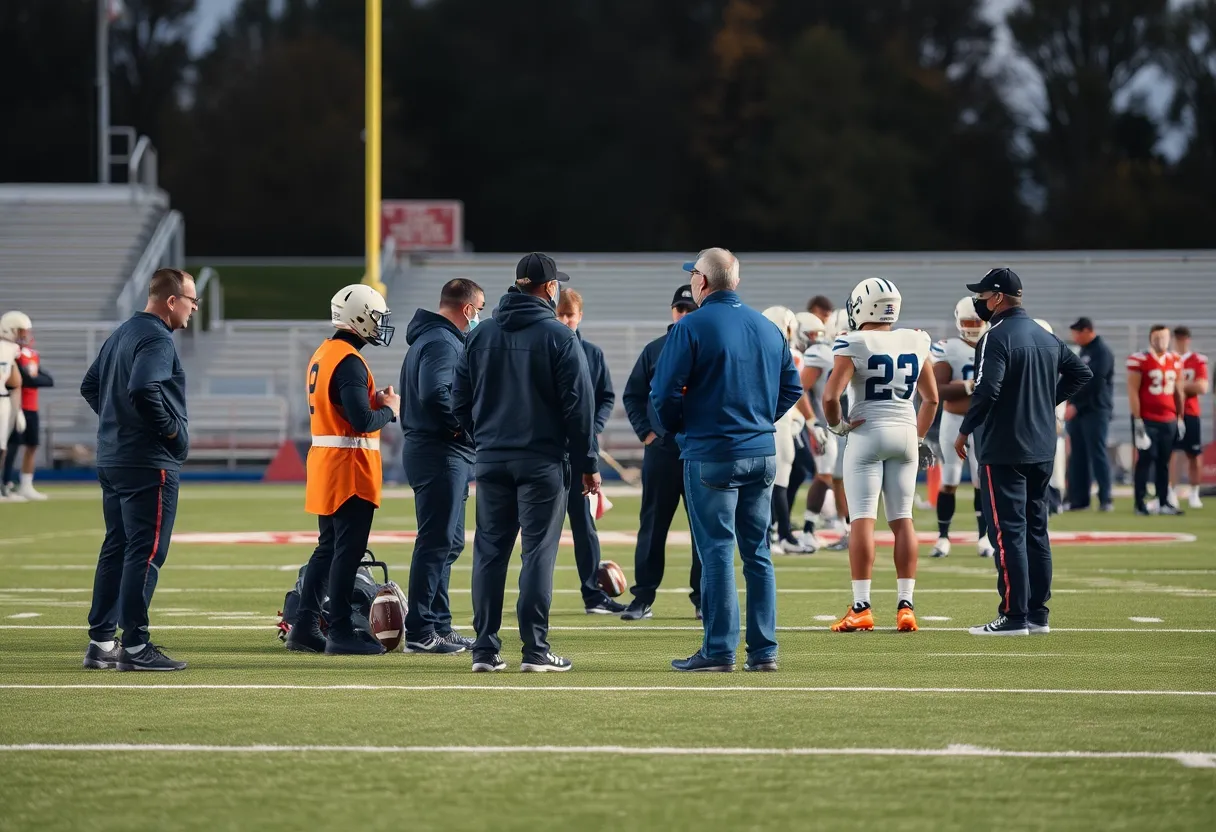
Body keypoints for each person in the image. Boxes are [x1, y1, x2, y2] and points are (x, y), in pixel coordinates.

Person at [650, 247, 801, 672]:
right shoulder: (767, 327)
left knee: (716, 550)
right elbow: (791, 388)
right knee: (758, 552)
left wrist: (682, 429)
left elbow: (662, 394)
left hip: (712, 451)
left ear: (701, 282)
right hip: (761, 451)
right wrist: (757, 418)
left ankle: (718, 650)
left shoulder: (691, 326)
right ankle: (764, 651)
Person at [452, 253, 600, 673]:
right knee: (537, 554)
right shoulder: (559, 336)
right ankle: (535, 650)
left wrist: (485, 439)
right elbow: (579, 408)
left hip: (493, 459)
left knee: (489, 553)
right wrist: (587, 461)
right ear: (550, 288)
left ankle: (484, 650)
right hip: (541, 460)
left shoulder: (481, 335)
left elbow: (458, 401)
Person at [954, 268, 1092, 636]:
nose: (980, 303)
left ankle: (1014, 617)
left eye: (983, 296)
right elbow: (1081, 375)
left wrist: (965, 430)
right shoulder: (1045, 335)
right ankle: (1038, 613)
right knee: (1037, 530)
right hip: (1042, 445)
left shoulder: (995, 337)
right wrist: (1046, 402)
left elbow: (987, 390)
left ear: (998, 297)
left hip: (1004, 447)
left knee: (1008, 532)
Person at [80, 268, 196, 671]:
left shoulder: (122, 332)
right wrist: (170, 432)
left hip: (113, 457)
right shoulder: (155, 337)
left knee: (116, 546)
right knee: (145, 552)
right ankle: (134, 646)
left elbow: (90, 385)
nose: (194, 308)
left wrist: (118, 424)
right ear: (171, 301)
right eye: (191, 300)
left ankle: (100, 643)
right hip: (146, 463)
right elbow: (144, 387)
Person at [287, 284, 400, 655]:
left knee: (328, 548)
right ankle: (339, 631)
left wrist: (374, 403)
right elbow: (361, 418)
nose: (379, 325)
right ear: (360, 318)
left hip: (327, 465)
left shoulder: (326, 353)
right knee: (346, 552)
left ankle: (304, 626)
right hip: (349, 469)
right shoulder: (349, 360)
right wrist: (390, 409)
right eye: (376, 318)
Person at [824, 278, 938, 634]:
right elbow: (932, 398)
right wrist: (916, 437)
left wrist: (839, 427)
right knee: (903, 518)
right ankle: (906, 606)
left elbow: (830, 398)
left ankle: (861, 607)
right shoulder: (917, 339)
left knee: (862, 519)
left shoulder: (854, 340)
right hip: (905, 430)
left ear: (862, 306)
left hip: (866, 433)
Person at [398, 278, 484, 655]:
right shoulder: (441, 341)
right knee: (436, 542)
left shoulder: (435, 339)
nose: (480, 314)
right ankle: (420, 629)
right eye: (479, 307)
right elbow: (436, 392)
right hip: (439, 451)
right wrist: (461, 428)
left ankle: (439, 624)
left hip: (438, 450)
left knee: (447, 543)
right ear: (467, 308)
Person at [620, 284, 703, 622]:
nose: (684, 314)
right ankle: (643, 597)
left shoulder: (707, 347)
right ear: (672, 311)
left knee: (703, 527)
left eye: (689, 309)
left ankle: (704, 598)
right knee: (653, 526)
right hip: (663, 451)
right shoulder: (655, 349)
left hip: (699, 449)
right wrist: (647, 433)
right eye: (679, 308)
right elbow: (633, 395)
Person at [555, 289, 625, 614]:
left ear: (580, 316)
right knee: (543, 530)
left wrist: (592, 428)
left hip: (581, 454)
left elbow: (606, 396)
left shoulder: (592, 354)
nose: (566, 320)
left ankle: (592, 595)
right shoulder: (547, 348)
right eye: (561, 314)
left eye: (571, 314)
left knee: (584, 527)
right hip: (550, 455)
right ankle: (536, 596)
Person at [929, 298, 994, 558]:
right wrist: (967, 386)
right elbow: (937, 389)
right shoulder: (949, 348)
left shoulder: (993, 343)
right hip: (954, 420)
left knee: (982, 480)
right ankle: (943, 537)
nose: (972, 327)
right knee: (950, 479)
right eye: (967, 322)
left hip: (984, 421)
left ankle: (984, 537)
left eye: (976, 322)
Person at [762, 306, 816, 554]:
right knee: (780, 478)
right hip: (779, 421)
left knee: (766, 481)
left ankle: (774, 531)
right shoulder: (789, 354)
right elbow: (796, 390)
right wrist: (809, 420)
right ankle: (780, 533)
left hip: (756, 421)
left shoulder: (752, 350)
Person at [1127, 326, 1186, 516]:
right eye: (1157, 337)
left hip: (1168, 419)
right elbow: (1133, 391)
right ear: (1151, 338)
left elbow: (1179, 391)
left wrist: (1180, 417)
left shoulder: (1175, 359)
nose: (1161, 341)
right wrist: (1137, 420)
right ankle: (1139, 502)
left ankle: (1163, 501)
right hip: (1147, 420)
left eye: (1164, 337)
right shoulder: (1140, 359)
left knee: (1164, 462)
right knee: (1145, 460)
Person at [1064, 317, 1114, 511]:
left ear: (1087, 331)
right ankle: (1079, 500)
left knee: (1097, 453)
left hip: (1096, 410)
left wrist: (1077, 405)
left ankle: (1105, 498)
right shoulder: (1083, 351)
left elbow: (1096, 383)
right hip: (1078, 412)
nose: (1074, 337)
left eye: (1077, 333)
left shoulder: (1102, 352)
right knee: (1078, 455)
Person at [1, 312, 50, 500]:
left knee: (27, 445)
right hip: (10, 402)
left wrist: (31, 379)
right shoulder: (9, 351)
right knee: (7, 447)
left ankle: (19, 485)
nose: (25, 335)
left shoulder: (23, 353)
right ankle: (5, 484)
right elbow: (21, 380)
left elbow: (44, 379)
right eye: (21, 331)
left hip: (22, 404)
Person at [797, 313, 835, 551]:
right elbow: (799, 389)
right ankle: (807, 528)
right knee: (826, 475)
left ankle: (839, 524)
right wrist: (812, 421)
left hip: (846, 426)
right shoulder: (815, 355)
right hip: (825, 426)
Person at [1171, 326, 1208, 509]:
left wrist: (1178, 385)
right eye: (1177, 337)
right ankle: (1170, 492)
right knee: (1170, 454)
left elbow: (1202, 387)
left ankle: (1194, 493)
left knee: (1193, 454)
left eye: (1183, 337)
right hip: (1171, 412)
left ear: (1188, 339)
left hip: (1191, 412)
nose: (1180, 341)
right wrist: (1186, 386)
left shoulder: (1198, 360)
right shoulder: (1169, 359)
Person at [0, 318, 25, 503]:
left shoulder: (9, 349)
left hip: (2, 399)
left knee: (2, 447)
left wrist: (18, 409)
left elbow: (15, 382)